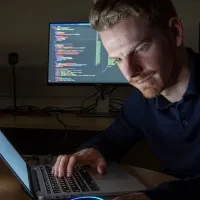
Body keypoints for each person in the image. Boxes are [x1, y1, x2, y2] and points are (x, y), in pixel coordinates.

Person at [52, 0, 200, 199]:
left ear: (175, 32)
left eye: (140, 48)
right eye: (118, 59)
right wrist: (93, 150)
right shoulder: (142, 101)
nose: (130, 73)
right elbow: (114, 137)